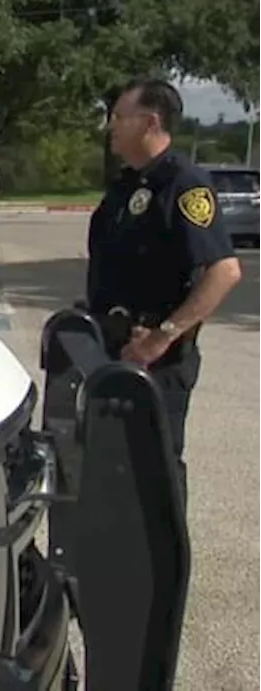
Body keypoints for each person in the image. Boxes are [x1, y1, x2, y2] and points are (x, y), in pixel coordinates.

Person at [87, 77, 242, 503]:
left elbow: (224, 271)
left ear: (150, 122)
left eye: (119, 117)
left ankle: (164, 568)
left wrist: (163, 336)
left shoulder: (184, 184)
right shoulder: (126, 186)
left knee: (156, 474)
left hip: (158, 363)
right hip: (114, 350)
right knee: (114, 472)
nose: (110, 127)